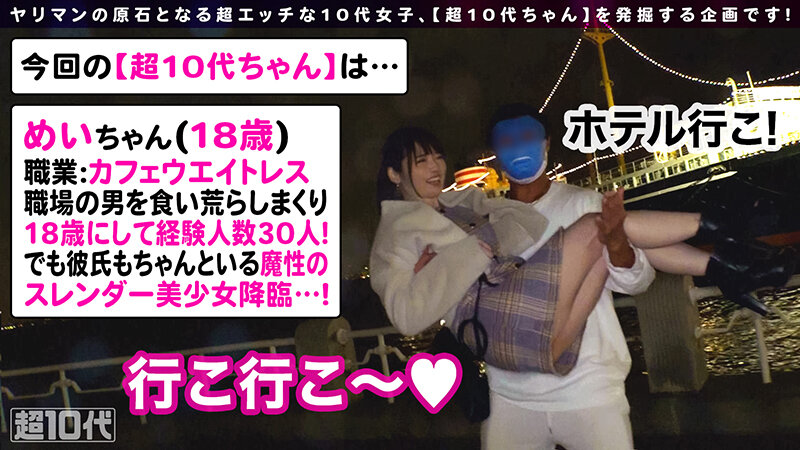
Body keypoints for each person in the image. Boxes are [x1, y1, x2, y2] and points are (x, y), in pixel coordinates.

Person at [368, 123, 793, 447]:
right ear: (394, 173)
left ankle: (728, 269)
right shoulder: (395, 231)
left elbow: (527, 231)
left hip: (549, 345)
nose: (435, 167)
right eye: (420, 161)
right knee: (597, 226)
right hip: (507, 328)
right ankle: (726, 232)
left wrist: (489, 225)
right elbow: (406, 315)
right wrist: (464, 255)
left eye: (437, 157)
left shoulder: (464, 204)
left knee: (607, 243)